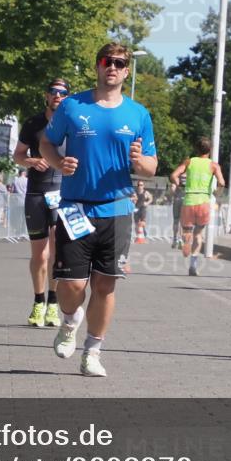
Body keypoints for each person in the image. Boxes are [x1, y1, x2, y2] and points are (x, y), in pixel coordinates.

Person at [40, 43, 157, 377]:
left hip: (117, 210)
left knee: (105, 286)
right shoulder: (73, 106)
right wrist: (58, 163)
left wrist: (139, 162)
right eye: (108, 61)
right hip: (75, 208)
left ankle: (92, 352)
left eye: (119, 63)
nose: (113, 67)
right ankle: (69, 321)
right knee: (71, 286)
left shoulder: (138, 114)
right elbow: (46, 143)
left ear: (127, 71)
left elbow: (151, 166)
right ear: (98, 66)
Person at [13, 79, 69, 328]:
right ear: (46, 96)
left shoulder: (71, 124)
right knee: (39, 254)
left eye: (63, 93)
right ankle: (38, 302)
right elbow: (17, 155)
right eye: (53, 92)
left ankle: (53, 303)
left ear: (67, 98)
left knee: (57, 252)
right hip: (36, 193)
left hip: (61, 193)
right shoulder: (33, 124)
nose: (57, 96)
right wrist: (32, 161)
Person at [169, 136, 225, 277]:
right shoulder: (213, 165)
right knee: (198, 234)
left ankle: (185, 241)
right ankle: (193, 265)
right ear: (210, 150)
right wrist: (217, 192)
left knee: (187, 231)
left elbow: (174, 175)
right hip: (204, 201)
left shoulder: (189, 162)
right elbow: (222, 183)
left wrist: (179, 184)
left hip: (189, 199)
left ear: (196, 149)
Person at [170, 173, 186, 248]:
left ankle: (175, 238)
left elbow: (172, 191)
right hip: (184, 201)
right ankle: (180, 239)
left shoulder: (176, 180)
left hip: (177, 200)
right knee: (182, 222)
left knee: (176, 221)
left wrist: (175, 191)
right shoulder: (189, 180)